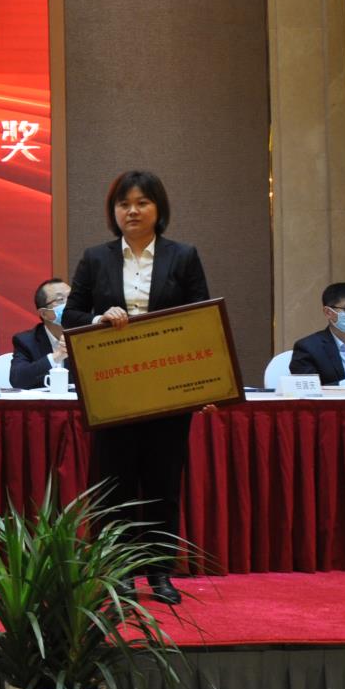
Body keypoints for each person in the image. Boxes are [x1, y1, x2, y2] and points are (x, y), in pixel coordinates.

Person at [63, 169, 210, 607]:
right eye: (123, 203)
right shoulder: (96, 258)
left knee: (164, 484)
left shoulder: (183, 256)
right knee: (115, 484)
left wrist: (204, 384)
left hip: (168, 388)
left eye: (142, 202)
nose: (132, 210)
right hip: (114, 390)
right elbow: (70, 314)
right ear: (113, 212)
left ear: (158, 209)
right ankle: (117, 574)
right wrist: (98, 319)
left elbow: (201, 318)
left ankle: (160, 573)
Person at [9, 278, 72, 390]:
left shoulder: (86, 336)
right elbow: (17, 380)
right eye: (60, 299)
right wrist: (57, 356)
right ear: (44, 314)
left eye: (72, 297)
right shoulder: (26, 341)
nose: (70, 303)